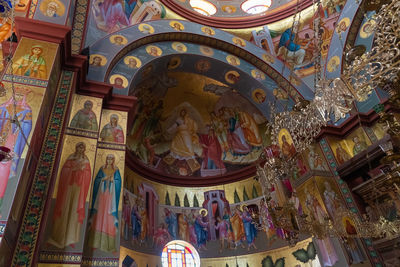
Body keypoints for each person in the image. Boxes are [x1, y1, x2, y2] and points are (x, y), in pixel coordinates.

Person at [48, 142, 91, 248]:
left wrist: (83, 171)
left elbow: (88, 174)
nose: (81, 149)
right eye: (79, 147)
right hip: (68, 187)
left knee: (74, 211)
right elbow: (64, 171)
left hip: (78, 189)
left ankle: (72, 238)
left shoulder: (86, 160)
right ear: (76, 148)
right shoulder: (71, 157)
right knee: (64, 208)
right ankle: (58, 236)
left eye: (82, 147)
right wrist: (73, 170)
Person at [0, 87, 32, 211]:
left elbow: (27, 126)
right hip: (2, 138)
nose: (18, 97)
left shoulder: (26, 110)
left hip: (12, 143)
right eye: (16, 94)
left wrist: (18, 124)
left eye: (20, 95)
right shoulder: (4, 107)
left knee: (3, 176)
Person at [88, 154, 122, 252]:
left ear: (114, 160)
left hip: (110, 199)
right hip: (101, 197)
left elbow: (118, 182)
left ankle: (109, 246)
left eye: (111, 159)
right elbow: (97, 180)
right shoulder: (101, 169)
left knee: (109, 219)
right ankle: (94, 243)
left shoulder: (116, 170)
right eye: (108, 158)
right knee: (98, 218)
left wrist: (113, 181)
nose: (109, 160)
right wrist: (102, 179)